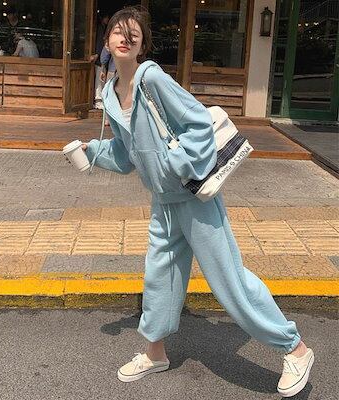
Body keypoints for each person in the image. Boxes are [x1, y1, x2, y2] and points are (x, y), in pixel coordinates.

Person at [82, 6, 315, 398]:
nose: (126, 36)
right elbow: (126, 155)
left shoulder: (151, 78)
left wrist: (175, 165)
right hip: (163, 202)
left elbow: (199, 124)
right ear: (107, 40)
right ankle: (155, 353)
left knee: (228, 279)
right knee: (159, 278)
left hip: (193, 198)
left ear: (142, 43)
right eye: (119, 30)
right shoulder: (109, 93)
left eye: (134, 31)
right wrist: (91, 152)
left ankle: (295, 349)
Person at [92, 13, 110, 109]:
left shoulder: (103, 28)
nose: (108, 19)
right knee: (99, 80)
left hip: (101, 58)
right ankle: (98, 101)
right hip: (100, 59)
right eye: (107, 17)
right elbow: (100, 43)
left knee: (100, 80)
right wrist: (97, 54)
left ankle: (99, 99)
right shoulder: (101, 28)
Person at [100, 46, 116, 126]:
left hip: (113, 70)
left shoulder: (111, 41)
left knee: (109, 95)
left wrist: (103, 69)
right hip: (128, 70)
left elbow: (104, 58)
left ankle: (108, 119)